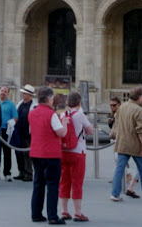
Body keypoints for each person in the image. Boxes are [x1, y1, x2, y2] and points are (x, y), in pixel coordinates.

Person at [28, 85, 70, 225]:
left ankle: (36, 213)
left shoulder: (32, 112)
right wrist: (64, 123)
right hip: (51, 153)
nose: (53, 101)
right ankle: (52, 215)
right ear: (47, 99)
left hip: (36, 152)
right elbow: (61, 133)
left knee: (38, 184)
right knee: (52, 185)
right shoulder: (51, 114)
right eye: (52, 98)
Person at [59, 91, 93, 222]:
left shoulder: (63, 114)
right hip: (78, 151)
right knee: (77, 182)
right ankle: (78, 213)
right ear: (79, 102)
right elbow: (89, 130)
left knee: (64, 181)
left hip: (64, 151)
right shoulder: (80, 115)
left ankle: (64, 211)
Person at [110, 86, 142, 202]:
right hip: (135, 144)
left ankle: (114, 194)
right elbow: (140, 130)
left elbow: (117, 124)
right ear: (139, 97)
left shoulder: (121, 107)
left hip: (122, 142)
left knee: (119, 169)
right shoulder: (138, 110)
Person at [14, 83, 36, 182]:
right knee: (18, 152)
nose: (23, 95)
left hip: (28, 132)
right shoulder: (20, 104)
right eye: (23, 93)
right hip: (19, 131)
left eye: (25, 94)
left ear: (29, 95)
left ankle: (28, 172)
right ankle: (21, 171)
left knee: (27, 153)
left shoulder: (34, 106)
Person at [0, 85, 18, 181]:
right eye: (2, 90)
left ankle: (7, 173)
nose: (3, 92)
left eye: (5, 91)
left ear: (8, 93)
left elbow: (15, 117)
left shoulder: (11, 105)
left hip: (6, 130)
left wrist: (11, 123)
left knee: (7, 153)